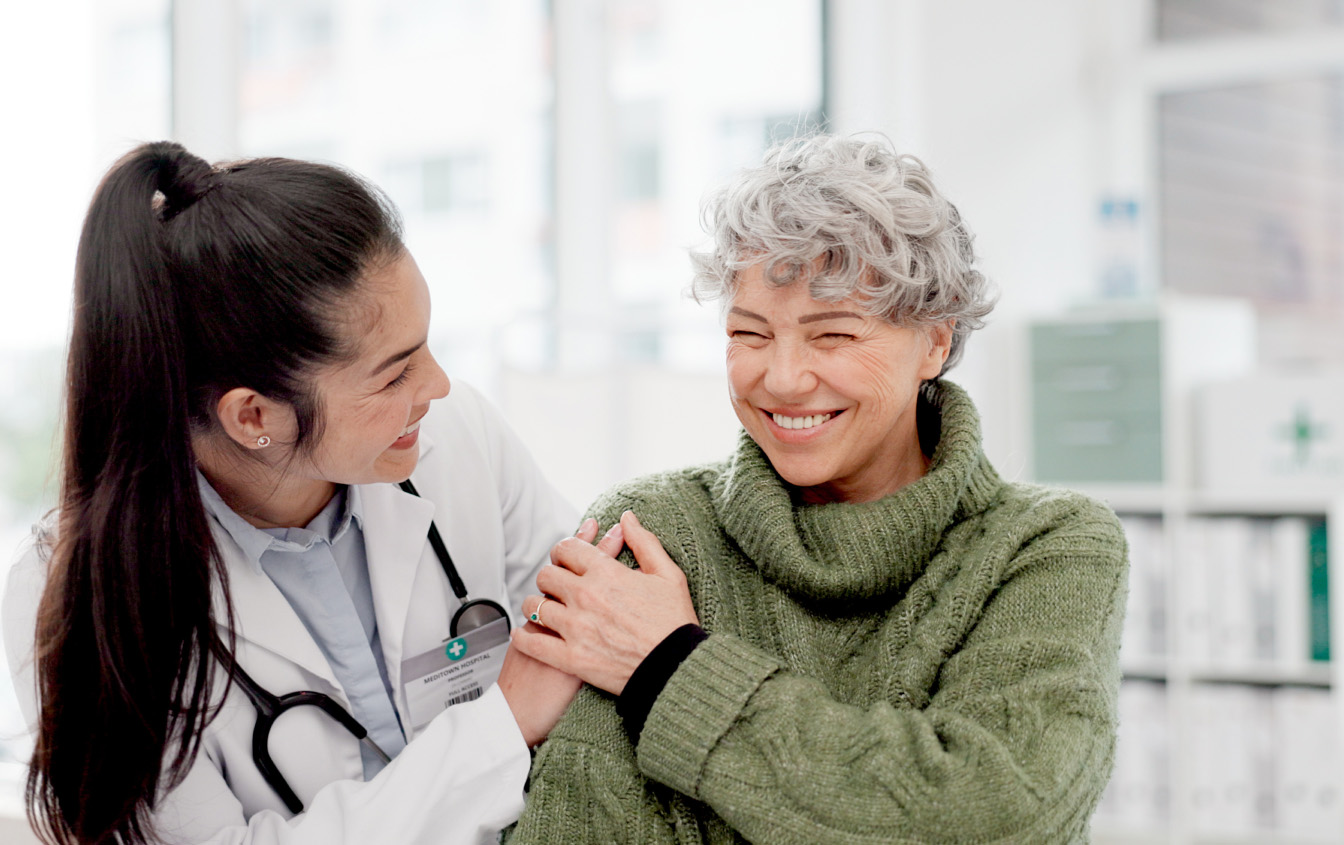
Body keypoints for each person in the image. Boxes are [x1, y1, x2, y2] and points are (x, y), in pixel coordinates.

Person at [506, 134, 1129, 844]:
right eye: (750, 333)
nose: (783, 377)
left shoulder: (1048, 545)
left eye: (831, 335)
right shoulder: (656, 532)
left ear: (934, 340)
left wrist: (670, 668)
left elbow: (998, 813)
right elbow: (581, 823)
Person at [1, 141, 601, 845]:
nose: (437, 386)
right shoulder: (80, 599)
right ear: (253, 416)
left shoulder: (457, 438)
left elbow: (589, 648)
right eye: (393, 373)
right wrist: (497, 729)